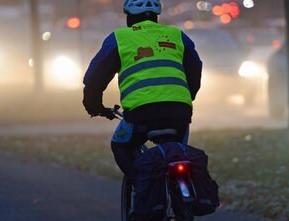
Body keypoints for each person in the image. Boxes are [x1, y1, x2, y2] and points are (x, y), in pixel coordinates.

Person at [82, 0, 203, 185]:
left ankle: (142, 188)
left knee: (120, 146)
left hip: (141, 115)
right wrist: (187, 97)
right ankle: (183, 202)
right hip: (180, 113)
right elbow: (195, 68)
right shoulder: (177, 35)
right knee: (178, 152)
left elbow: (95, 78)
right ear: (156, 15)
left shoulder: (119, 38)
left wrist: (94, 106)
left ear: (129, 16)